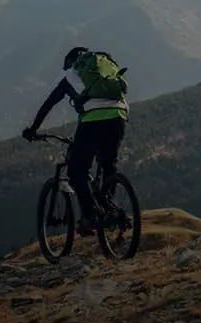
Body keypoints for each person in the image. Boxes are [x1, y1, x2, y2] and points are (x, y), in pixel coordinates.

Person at [23, 46, 129, 233]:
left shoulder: (70, 76)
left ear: (70, 64)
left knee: (76, 170)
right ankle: (109, 208)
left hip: (92, 121)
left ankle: (89, 216)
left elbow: (48, 105)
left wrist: (33, 129)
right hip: (119, 115)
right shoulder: (104, 70)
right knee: (108, 164)